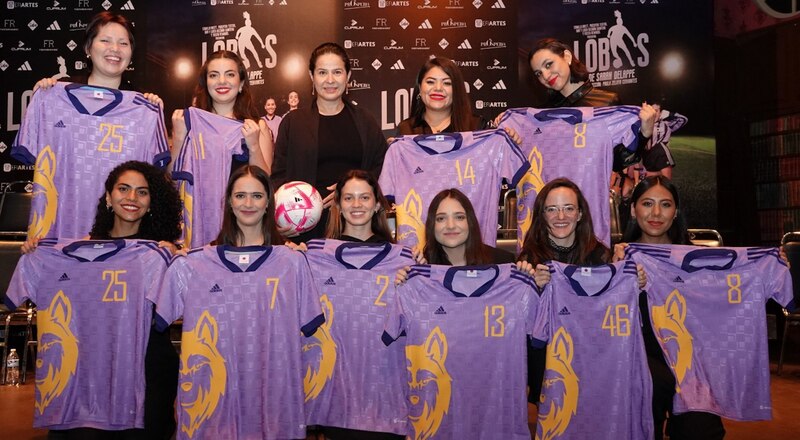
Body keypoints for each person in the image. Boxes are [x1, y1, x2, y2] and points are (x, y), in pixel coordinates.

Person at [22, 161, 182, 440]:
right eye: (123, 189)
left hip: (147, 368)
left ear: (151, 202)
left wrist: (180, 259)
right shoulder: (73, 251)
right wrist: (36, 252)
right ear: (108, 197)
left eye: (142, 192)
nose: (132, 198)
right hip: (89, 367)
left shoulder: (163, 252)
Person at [613, 176, 725, 440]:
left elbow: (730, 295)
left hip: (690, 360)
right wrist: (617, 273)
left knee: (700, 424)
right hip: (638, 358)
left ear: (675, 212)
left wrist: (771, 264)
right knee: (643, 390)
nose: (656, 213)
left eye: (665, 205)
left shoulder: (697, 260)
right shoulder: (616, 257)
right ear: (633, 209)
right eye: (647, 204)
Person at [272, 42, 387, 243]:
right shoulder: (293, 123)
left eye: (337, 72)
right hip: (307, 231)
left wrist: (349, 188)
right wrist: (284, 219)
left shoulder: (365, 121)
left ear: (348, 76)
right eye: (322, 72)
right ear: (311, 76)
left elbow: (383, 168)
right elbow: (279, 176)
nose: (330, 80)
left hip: (356, 226)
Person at [527, 38, 656, 171]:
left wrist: (644, 135)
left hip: (591, 188)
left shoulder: (607, 102)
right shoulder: (543, 113)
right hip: (554, 189)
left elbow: (616, 163)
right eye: (538, 73)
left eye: (548, 65)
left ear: (567, 57)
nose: (546, 76)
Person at [171, 50, 272, 174]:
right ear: (206, 83)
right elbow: (171, 182)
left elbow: (265, 185)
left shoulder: (258, 127)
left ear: (241, 83)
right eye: (214, 75)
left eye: (230, 74)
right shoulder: (190, 125)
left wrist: (254, 147)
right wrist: (178, 140)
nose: (222, 81)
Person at [395, 188, 520, 285]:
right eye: (441, 218)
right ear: (432, 225)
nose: (450, 225)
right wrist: (405, 283)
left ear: (470, 222)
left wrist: (532, 280)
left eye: (459, 217)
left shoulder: (503, 262)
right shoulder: (422, 269)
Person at [34, 11, 161, 105]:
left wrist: (152, 110)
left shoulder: (140, 101)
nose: (115, 49)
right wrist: (41, 95)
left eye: (123, 43)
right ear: (88, 47)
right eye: (105, 40)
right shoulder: (62, 91)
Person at [396, 57, 489, 135]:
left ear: (456, 89)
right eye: (430, 82)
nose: (438, 88)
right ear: (420, 87)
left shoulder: (475, 127)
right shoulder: (406, 129)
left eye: (447, 83)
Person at [214, 165, 283, 247]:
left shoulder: (288, 253)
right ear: (230, 201)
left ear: (268, 201)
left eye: (257, 196)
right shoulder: (209, 254)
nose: (248, 204)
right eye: (240, 196)